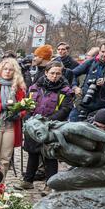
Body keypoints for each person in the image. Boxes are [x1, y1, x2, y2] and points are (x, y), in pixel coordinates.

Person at [17, 61, 74, 190]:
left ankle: (50, 184)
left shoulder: (65, 90)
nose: (54, 76)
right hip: (34, 126)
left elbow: (65, 110)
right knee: (32, 153)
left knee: (50, 155)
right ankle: (28, 180)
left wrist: (47, 121)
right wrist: (28, 119)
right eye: (52, 73)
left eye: (58, 73)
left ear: (61, 74)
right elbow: (27, 105)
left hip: (52, 127)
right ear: (46, 73)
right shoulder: (34, 87)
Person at [71, 40, 105, 121]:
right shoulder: (91, 62)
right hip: (83, 103)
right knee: (71, 128)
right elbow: (72, 74)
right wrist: (75, 87)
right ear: (99, 51)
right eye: (102, 51)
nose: (104, 54)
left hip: (102, 107)